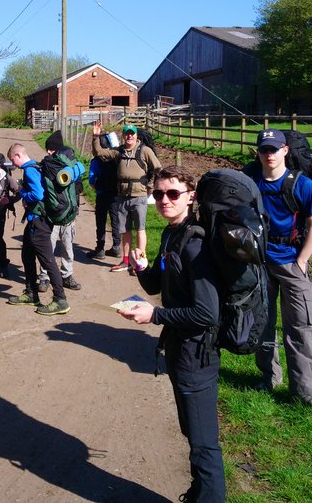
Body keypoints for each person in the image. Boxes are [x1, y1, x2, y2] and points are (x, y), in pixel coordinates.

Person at [119, 166, 225, 503]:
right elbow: (157, 286)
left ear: (191, 196)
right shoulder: (169, 234)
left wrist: (156, 316)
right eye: (159, 194)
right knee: (191, 432)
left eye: (173, 194)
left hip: (197, 353)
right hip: (179, 349)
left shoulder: (195, 245)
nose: (164, 200)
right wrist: (141, 269)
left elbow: (207, 313)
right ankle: (198, 493)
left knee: (204, 442)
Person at [246, 129, 312, 411]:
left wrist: (301, 261)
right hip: (260, 260)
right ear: (258, 153)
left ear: (285, 150)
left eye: (274, 149)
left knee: (299, 326)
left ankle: (304, 392)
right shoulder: (251, 182)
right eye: (264, 150)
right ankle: (269, 377)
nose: (269, 154)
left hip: (290, 262)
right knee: (263, 323)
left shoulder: (302, 184)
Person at [6, 143, 70, 315]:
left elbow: (39, 194)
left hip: (39, 222)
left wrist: (24, 195)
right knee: (27, 255)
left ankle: (60, 299)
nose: (13, 164)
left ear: (18, 155)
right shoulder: (37, 166)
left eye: (13, 160)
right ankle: (31, 293)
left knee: (47, 260)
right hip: (34, 221)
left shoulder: (29, 170)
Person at [91, 122, 161, 272]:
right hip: (122, 197)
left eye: (132, 133)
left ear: (136, 135)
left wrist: (153, 186)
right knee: (125, 231)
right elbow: (99, 153)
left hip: (139, 197)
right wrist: (96, 137)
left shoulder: (145, 151)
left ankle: (140, 263)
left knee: (140, 230)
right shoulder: (119, 151)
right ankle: (126, 261)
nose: (129, 136)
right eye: (127, 133)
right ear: (123, 136)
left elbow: (157, 168)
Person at [37, 130, 84, 292]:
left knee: (67, 247)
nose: (48, 152)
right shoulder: (46, 166)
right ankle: (44, 276)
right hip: (50, 215)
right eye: (48, 150)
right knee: (48, 248)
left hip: (68, 215)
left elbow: (78, 188)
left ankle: (66, 275)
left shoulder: (70, 166)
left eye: (51, 149)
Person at [85, 148, 121, 260]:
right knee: (115, 220)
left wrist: (98, 188)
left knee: (101, 221)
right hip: (115, 194)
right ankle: (116, 247)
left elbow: (91, 180)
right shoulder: (116, 158)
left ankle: (100, 249)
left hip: (102, 194)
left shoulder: (96, 160)